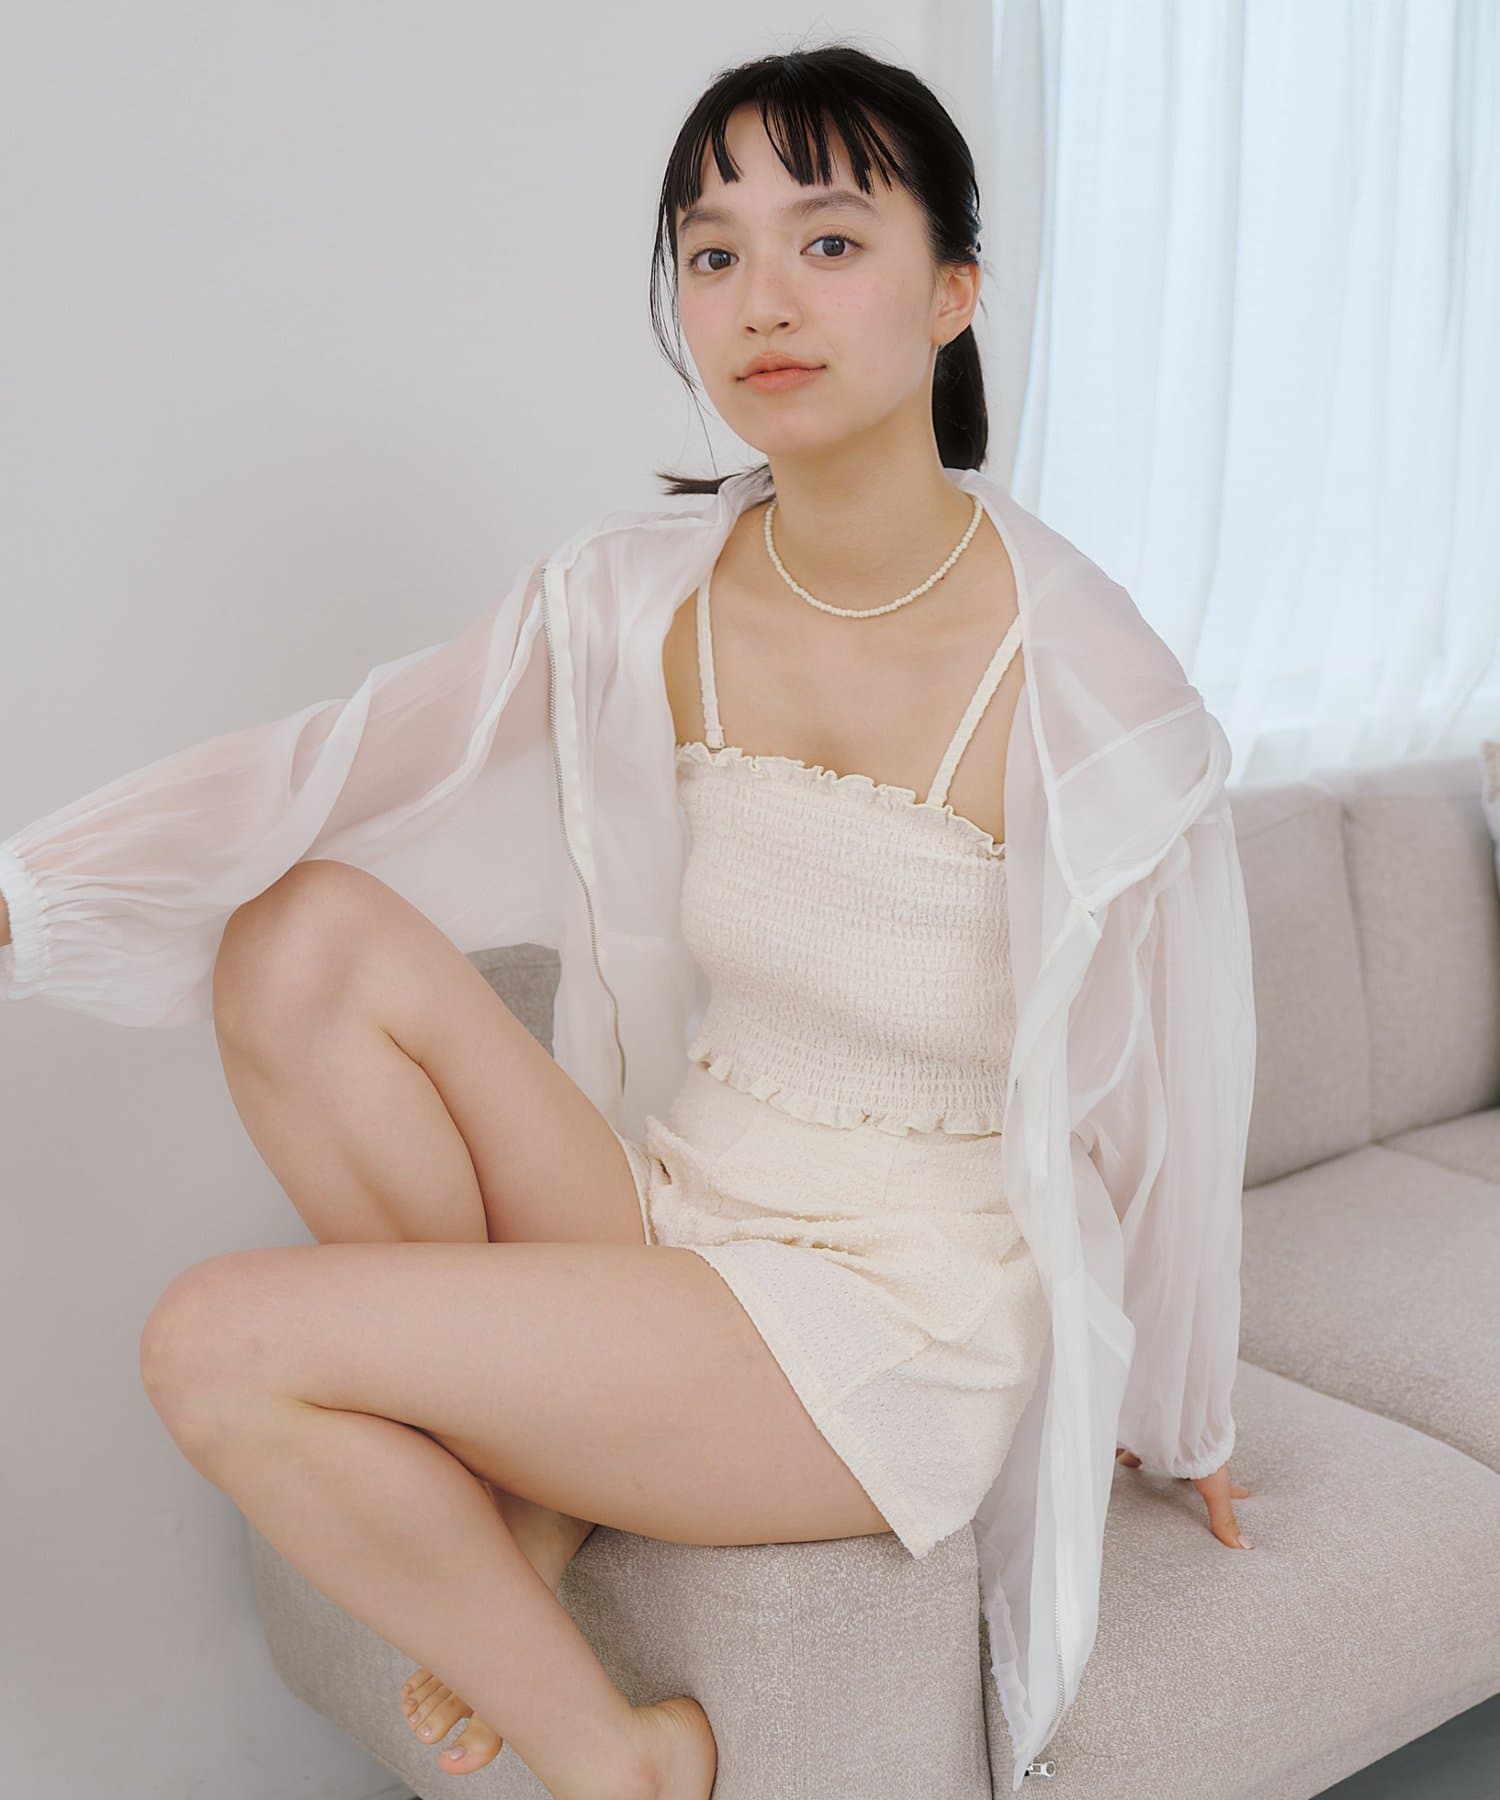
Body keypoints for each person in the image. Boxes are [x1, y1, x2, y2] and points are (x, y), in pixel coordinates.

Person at [0, 43, 1257, 1799]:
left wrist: (1179, 1416)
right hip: (672, 1206)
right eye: (713, 252)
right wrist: (25, 896)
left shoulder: (1089, 676)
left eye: (830, 242)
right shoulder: (634, 593)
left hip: (891, 1316)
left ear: (953, 294)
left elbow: (1171, 1087)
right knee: (295, 936)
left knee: (212, 1344)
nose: (763, 300)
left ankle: (618, 1754)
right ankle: (557, 1460)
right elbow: (338, 763)